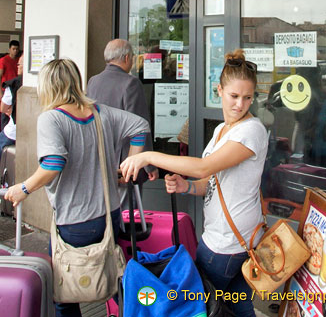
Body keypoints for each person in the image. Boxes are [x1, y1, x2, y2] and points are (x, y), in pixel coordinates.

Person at [120, 49, 268, 317]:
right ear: (219, 90)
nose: (240, 104)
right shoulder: (222, 130)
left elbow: (204, 167)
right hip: (234, 238)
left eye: (247, 98)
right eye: (234, 96)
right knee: (238, 306)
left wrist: (149, 156)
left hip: (226, 243)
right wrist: (186, 186)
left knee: (199, 307)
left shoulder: (252, 130)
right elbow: (209, 181)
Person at [5, 58, 152, 317]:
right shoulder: (101, 112)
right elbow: (140, 127)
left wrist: (23, 189)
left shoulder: (52, 119)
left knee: (64, 294)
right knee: (112, 276)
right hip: (109, 214)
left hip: (74, 221)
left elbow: (53, 165)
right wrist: (130, 165)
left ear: (47, 85)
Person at [87, 39, 158, 204]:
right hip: (125, 161)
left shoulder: (93, 81)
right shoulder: (131, 83)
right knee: (126, 211)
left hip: (100, 158)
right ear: (126, 58)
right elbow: (140, 125)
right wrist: (149, 164)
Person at [0, 54, 23, 160]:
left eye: (19, 64)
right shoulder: (43, 84)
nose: (17, 66)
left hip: (13, 132)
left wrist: (11, 110)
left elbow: (3, 108)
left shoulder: (14, 84)